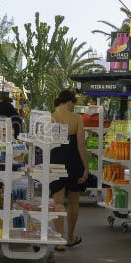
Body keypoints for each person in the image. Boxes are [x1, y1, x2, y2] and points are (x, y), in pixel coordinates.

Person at [49, 89, 89, 250]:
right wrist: (86, 168)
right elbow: (81, 145)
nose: (73, 107)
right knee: (73, 201)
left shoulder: (50, 117)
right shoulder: (77, 119)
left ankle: (59, 240)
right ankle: (70, 237)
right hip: (73, 161)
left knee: (57, 201)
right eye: (73, 104)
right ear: (69, 102)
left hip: (56, 160)